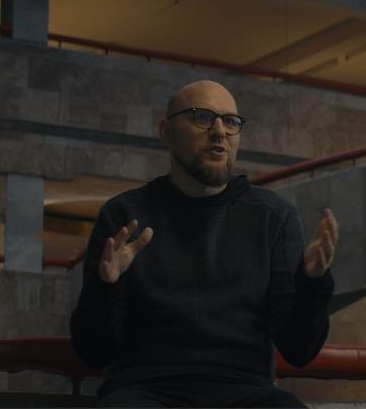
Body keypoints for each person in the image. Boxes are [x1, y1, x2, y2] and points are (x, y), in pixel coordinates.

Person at [70, 80, 339, 407]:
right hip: (147, 390)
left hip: (245, 392)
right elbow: (94, 353)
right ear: (166, 131)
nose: (219, 131)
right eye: (202, 117)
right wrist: (105, 288)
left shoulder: (273, 216)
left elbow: (299, 350)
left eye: (231, 121)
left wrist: (313, 283)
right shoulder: (124, 215)